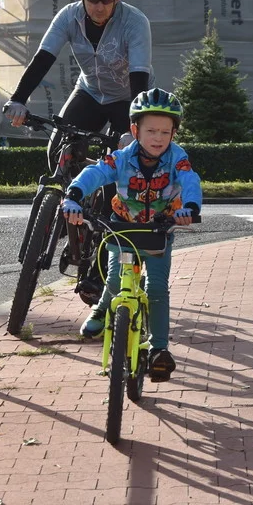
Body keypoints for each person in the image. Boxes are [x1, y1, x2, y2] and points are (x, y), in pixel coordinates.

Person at [61, 88, 203, 383]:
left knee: (157, 289)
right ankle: (101, 310)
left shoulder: (178, 158)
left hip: (159, 230)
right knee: (114, 280)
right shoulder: (123, 158)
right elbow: (96, 173)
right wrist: (73, 196)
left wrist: (189, 207)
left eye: (166, 131)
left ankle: (159, 350)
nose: (158, 138)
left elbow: (190, 180)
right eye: (151, 130)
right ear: (135, 130)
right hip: (122, 228)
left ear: (174, 133)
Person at [2, 0, 153, 164]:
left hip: (128, 97)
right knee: (59, 153)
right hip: (90, 92)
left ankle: (108, 190)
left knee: (120, 162)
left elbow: (139, 75)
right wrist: (18, 99)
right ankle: (76, 193)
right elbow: (43, 59)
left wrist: (134, 126)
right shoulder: (68, 17)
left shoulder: (135, 21)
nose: (99, 7)